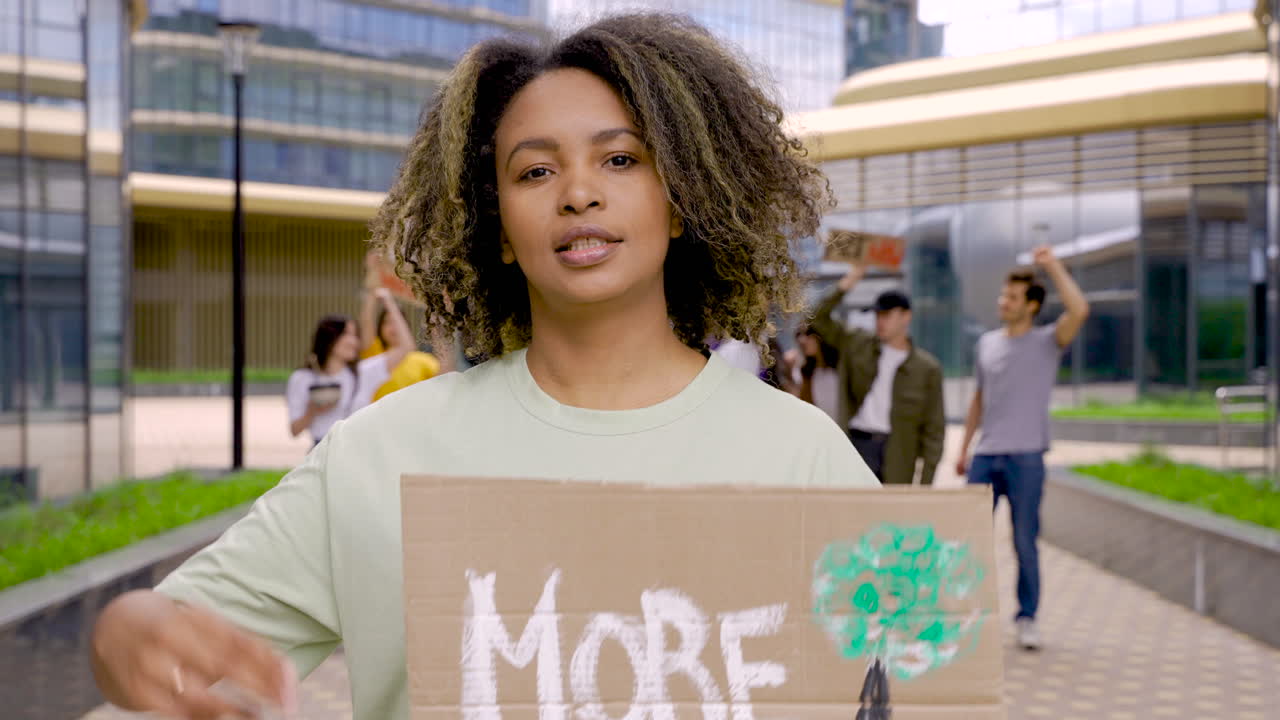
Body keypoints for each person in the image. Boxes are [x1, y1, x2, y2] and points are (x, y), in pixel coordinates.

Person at [88, 14, 879, 720]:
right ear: (496, 226)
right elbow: (174, 633)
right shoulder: (378, 456)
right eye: (535, 171)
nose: (577, 193)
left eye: (621, 160)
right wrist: (126, 634)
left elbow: (926, 675)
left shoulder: (804, 457)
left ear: (682, 201)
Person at [954, 245, 1090, 651]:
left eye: (1011, 298)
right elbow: (979, 397)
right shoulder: (986, 344)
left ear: (1030, 306)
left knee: (1024, 541)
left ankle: (1027, 617)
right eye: (1002, 295)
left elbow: (1079, 310)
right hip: (986, 454)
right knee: (970, 538)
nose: (1003, 302)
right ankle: (966, 614)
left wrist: (1051, 266)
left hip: (1027, 457)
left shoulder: (1049, 341)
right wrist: (963, 449)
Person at [809, 261, 946, 486]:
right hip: (858, 443)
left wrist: (925, 485)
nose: (880, 321)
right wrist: (849, 282)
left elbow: (934, 431)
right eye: (877, 315)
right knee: (853, 515)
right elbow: (817, 317)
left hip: (899, 451)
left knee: (890, 517)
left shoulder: (927, 369)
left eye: (887, 315)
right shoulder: (857, 344)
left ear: (906, 316)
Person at [285, 289, 416, 446]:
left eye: (355, 335)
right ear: (330, 338)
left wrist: (389, 303)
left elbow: (407, 346)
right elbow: (294, 430)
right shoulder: (303, 378)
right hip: (321, 449)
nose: (354, 341)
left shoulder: (364, 373)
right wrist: (312, 410)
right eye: (348, 334)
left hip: (356, 450)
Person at [357, 286, 442, 402]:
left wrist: (390, 302)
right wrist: (373, 297)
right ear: (380, 328)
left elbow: (441, 382)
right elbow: (366, 323)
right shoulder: (374, 355)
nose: (393, 328)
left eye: (396, 321)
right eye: (387, 322)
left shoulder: (424, 360)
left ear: (405, 326)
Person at [781, 325, 840, 423]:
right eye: (799, 335)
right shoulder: (807, 372)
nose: (802, 340)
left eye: (808, 334)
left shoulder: (839, 367)